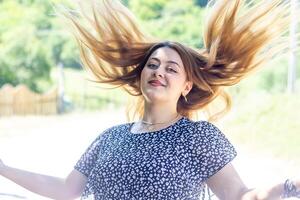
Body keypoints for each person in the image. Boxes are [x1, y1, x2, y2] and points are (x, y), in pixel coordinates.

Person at [0, 0, 299, 199]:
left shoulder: (198, 137)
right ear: (142, 75)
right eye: (153, 65)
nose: (159, 72)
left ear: (186, 85)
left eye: (172, 69)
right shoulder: (110, 138)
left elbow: (239, 196)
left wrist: (289, 186)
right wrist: (4, 169)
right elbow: (68, 189)